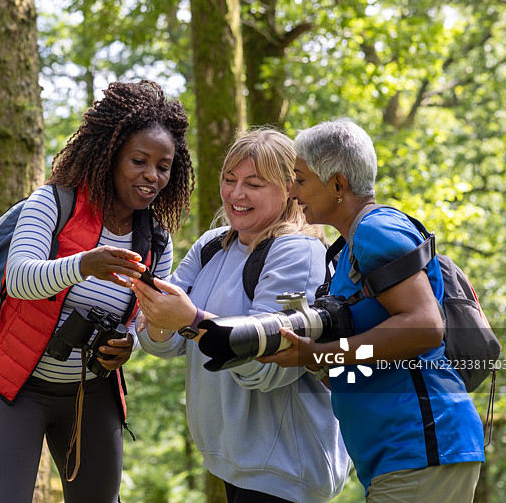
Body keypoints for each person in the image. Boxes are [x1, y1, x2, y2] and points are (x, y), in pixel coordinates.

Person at [0, 80, 195, 503]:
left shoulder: (156, 240)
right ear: (110, 156)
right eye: (139, 161)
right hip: (15, 389)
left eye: (163, 166)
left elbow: (146, 326)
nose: (152, 176)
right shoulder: (53, 203)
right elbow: (19, 278)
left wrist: (131, 342)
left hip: (92, 395)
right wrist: (85, 264)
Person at [259, 118, 484, 502]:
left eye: (300, 178)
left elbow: (425, 327)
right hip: (399, 455)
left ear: (338, 184)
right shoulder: (346, 251)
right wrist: (315, 360)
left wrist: (319, 353)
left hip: (421, 446)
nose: (292, 191)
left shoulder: (376, 230)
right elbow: (366, 358)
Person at [132, 128, 349, 503]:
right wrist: (157, 317)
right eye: (229, 180)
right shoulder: (211, 246)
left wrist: (189, 320)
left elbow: (269, 368)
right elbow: (163, 344)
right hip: (231, 461)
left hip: (287, 469)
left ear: (289, 188)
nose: (236, 194)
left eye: (254, 183)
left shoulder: (299, 252)